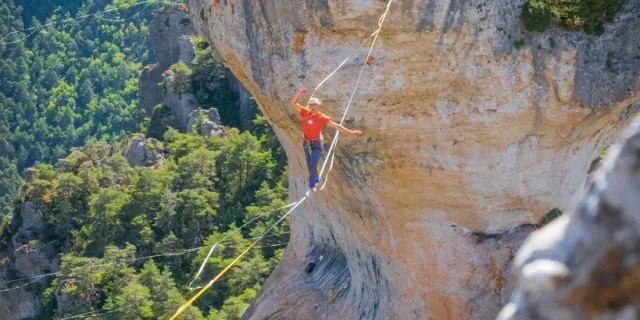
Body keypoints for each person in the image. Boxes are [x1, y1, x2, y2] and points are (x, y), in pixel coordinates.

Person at [290, 87, 362, 192]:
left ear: (318, 105)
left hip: (317, 143)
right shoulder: (305, 112)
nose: (311, 106)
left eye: (314, 104)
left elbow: (337, 126)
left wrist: (350, 132)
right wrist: (299, 94)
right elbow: (293, 103)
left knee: (313, 163)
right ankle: (316, 177)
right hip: (306, 142)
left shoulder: (322, 118)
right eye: (310, 104)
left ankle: (313, 184)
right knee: (309, 164)